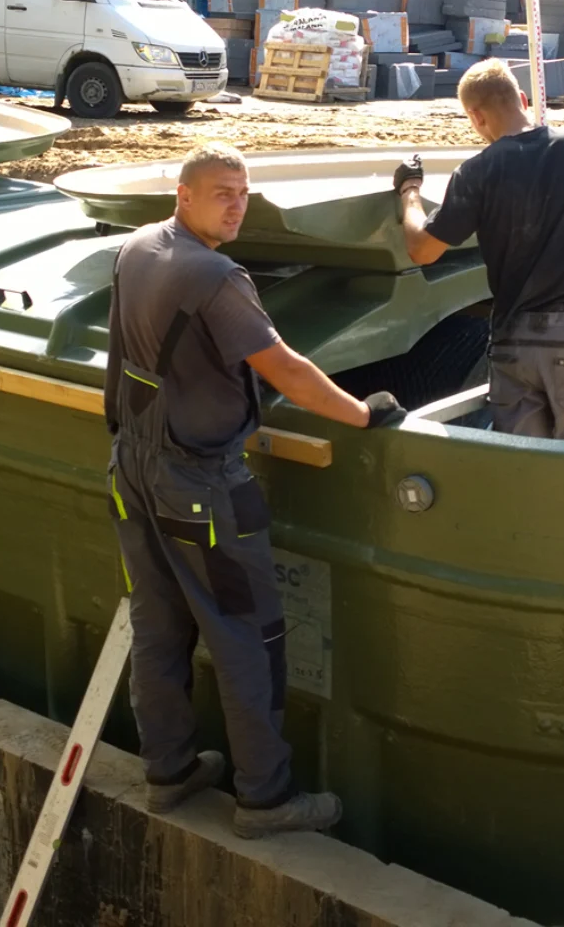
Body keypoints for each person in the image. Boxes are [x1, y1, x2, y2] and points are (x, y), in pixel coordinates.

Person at [103, 142, 405, 838]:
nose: (237, 205)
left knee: (159, 626)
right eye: (221, 194)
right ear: (184, 194)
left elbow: (123, 356)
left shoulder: (139, 248)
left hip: (132, 471)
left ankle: (169, 772)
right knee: (248, 635)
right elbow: (287, 370)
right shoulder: (215, 276)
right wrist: (363, 413)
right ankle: (265, 799)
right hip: (201, 487)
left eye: (243, 192)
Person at [396, 58, 564, 443]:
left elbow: (422, 251)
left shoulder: (477, 172)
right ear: (521, 97)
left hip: (514, 344)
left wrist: (409, 190)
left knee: (524, 470)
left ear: (476, 117)